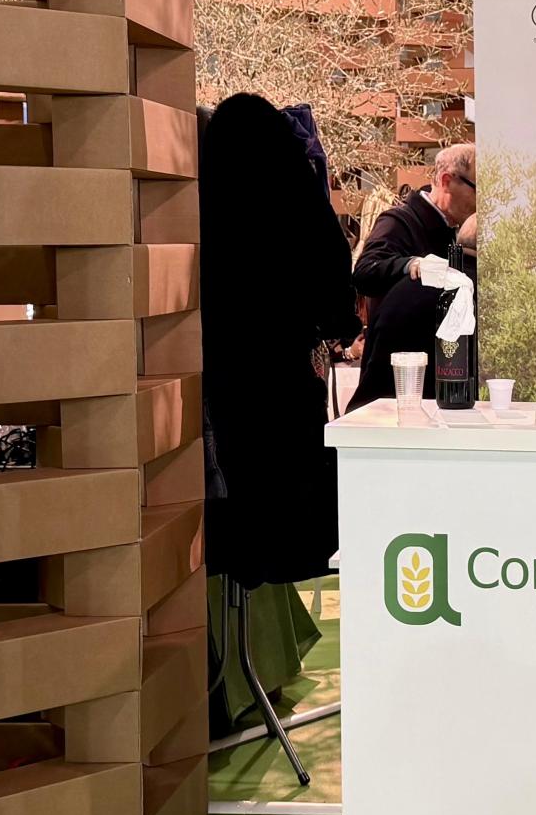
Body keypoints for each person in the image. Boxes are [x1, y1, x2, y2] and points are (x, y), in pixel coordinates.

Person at [198, 93, 362, 587]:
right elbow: (334, 284)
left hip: (220, 376)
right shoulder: (297, 192)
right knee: (285, 503)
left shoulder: (199, 196)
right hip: (286, 376)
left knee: (236, 498)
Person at [346, 144, 476, 413]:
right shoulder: (399, 221)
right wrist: (410, 264)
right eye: (477, 188)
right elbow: (364, 272)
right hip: (394, 380)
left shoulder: (451, 230)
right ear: (446, 181)